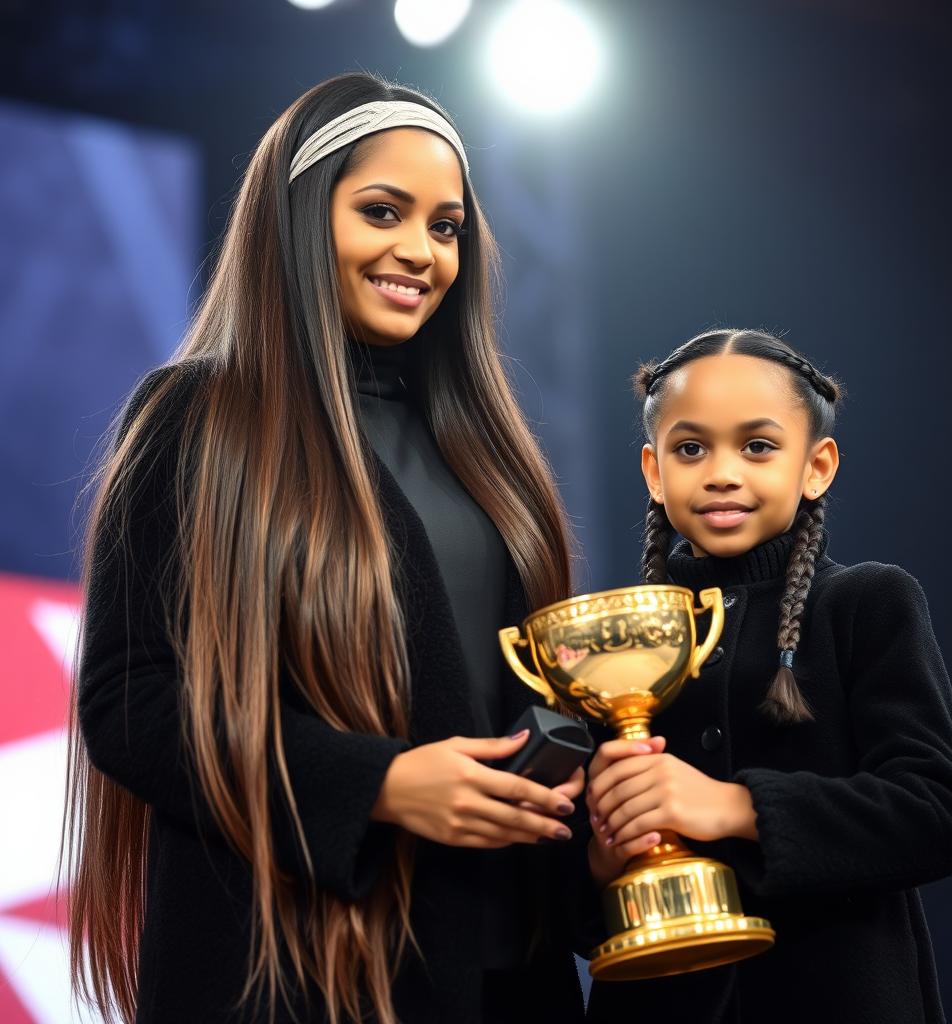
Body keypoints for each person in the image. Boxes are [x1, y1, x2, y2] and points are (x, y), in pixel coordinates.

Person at [63, 72, 588, 1024]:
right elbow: (129, 702)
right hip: (290, 977)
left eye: (446, 226)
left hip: (500, 974)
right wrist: (377, 785)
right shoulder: (198, 419)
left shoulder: (494, 462)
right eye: (382, 211)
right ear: (303, 218)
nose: (419, 251)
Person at [582, 328, 952, 1023]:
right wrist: (602, 857)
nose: (721, 472)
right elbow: (576, 922)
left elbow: (936, 815)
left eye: (758, 446)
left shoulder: (867, 602)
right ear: (653, 470)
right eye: (690, 448)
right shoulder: (609, 645)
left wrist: (734, 807)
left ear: (818, 465)